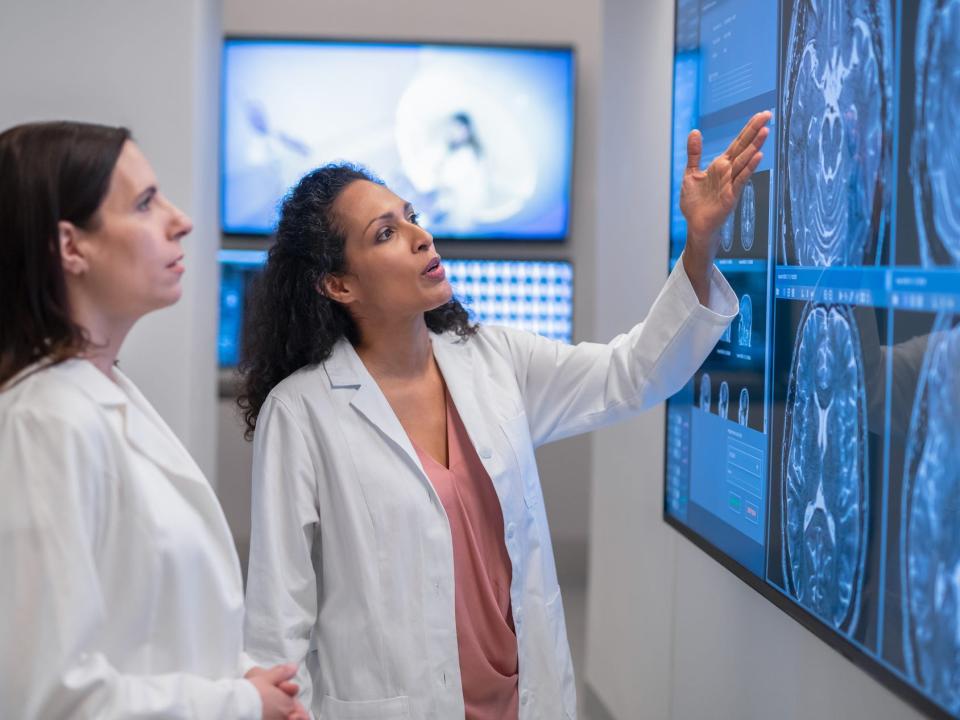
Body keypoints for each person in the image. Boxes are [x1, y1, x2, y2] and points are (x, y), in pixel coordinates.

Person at [238, 112, 771, 718]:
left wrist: (698, 246)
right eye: (385, 234)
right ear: (339, 285)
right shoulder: (303, 412)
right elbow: (277, 623)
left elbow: (631, 375)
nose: (420, 238)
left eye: (412, 217)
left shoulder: (493, 360)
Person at [0, 121, 309, 720]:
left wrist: (239, 673)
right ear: (71, 247)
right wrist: (239, 703)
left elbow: (138, 626)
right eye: (144, 203)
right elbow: (47, 700)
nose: (180, 220)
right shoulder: (46, 421)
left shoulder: (104, 393)